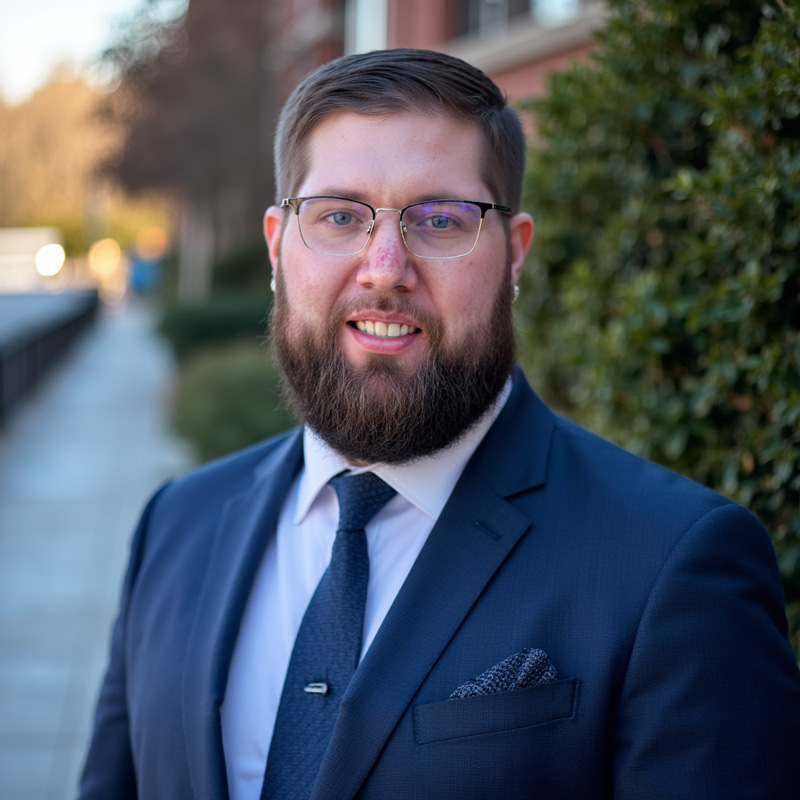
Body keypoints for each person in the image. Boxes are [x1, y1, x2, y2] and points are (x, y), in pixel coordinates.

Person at [78, 49, 800, 799]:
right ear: (277, 247)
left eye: (441, 219)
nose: (384, 266)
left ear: (514, 255)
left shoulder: (673, 562)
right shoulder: (174, 525)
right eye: (338, 217)